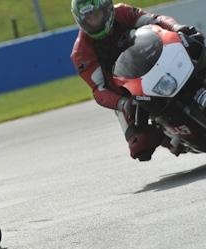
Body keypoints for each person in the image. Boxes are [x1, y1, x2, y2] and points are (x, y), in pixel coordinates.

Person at [70, 0, 197, 161]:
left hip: (156, 58)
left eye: (96, 15)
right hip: (128, 91)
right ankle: (169, 136)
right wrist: (121, 102)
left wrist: (176, 28)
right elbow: (99, 89)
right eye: (88, 18)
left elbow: (155, 20)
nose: (94, 22)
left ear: (107, 9)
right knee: (140, 146)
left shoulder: (122, 12)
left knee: (194, 41)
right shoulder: (81, 53)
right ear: (80, 21)